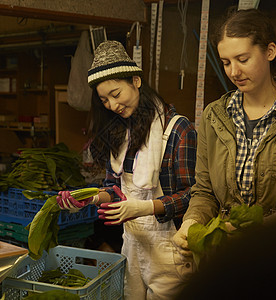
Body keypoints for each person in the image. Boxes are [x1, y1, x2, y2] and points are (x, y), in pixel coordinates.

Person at [173, 8, 276, 258]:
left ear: (270, 51)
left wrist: (235, 232)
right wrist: (192, 222)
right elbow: (204, 192)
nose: (234, 71)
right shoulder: (214, 115)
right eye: (226, 62)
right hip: (221, 256)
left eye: (242, 59)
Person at [57, 40, 197, 299]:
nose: (112, 105)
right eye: (104, 100)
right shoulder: (120, 132)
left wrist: (144, 208)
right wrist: (89, 198)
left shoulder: (178, 130)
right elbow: (113, 189)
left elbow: (194, 195)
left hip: (170, 252)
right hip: (131, 246)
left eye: (116, 94)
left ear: (136, 81)